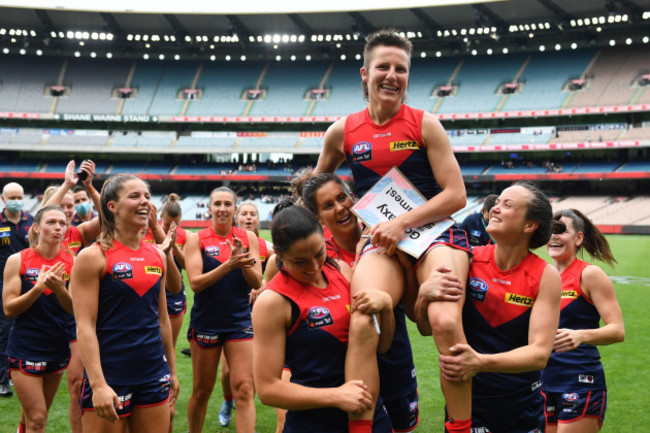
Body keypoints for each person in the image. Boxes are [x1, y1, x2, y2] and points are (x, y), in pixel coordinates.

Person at [314, 29, 470, 432]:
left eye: (401, 69)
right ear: (365, 73)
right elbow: (314, 188)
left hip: (433, 234)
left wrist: (401, 222)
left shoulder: (425, 124)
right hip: (381, 242)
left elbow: (455, 195)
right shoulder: (343, 131)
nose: (392, 75)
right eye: (383, 66)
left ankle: (461, 426)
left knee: (445, 322)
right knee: (363, 319)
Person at [417, 182, 562, 432]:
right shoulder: (468, 258)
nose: (495, 208)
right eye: (497, 202)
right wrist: (423, 297)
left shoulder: (545, 276)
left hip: (521, 407)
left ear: (529, 225)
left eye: (508, 204)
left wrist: (480, 362)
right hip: (468, 404)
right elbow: (426, 329)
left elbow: (539, 354)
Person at [252, 204, 393, 433]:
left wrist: (385, 306)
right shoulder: (272, 302)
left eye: (319, 253)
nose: (314, 267)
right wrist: (336, 396)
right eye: (300, 261)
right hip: (313, 424)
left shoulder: (344, 272)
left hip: (369, 416)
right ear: (279, 255)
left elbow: (382, 346)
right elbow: (268, 389)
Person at [302, 172, 420, 432]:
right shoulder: (317, 258)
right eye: (328, 205)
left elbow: (413, 312)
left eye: (342, 198)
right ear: (318, 217)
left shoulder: (386, 236)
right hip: (343, 372)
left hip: (394, 363)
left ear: (353, 197)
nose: (341, 208)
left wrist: (403, 263)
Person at [70, 174, 179, 433]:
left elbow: (162, 320)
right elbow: (85, 326)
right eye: (134, 196)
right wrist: (97, 384)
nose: (144, 202)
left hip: (153, 373)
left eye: (147, 197)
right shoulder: (91, 257)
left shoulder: (157, 254)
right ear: (112, 207)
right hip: (110, 375)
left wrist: (172, 371)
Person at [185, 186, 262, 433]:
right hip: (206, 323)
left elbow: (257, 282)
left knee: (245, 388)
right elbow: (196, 283)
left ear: (234, 209)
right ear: (208, 209)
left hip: (239, 321)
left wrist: (241, 262)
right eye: (217, 204)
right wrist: (229, 265)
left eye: (227, 204)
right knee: (202, 391)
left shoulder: (248, 238)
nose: (222, 208)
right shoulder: (196, 239)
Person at [543, 209, 625, 433]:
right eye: (551, 230)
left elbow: (617, 330)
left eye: (561, 231)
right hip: (542, 381)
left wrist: (580, 335)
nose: (554, 236)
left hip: (580, 381)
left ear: (578, 238)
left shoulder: (589, 274)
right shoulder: (542, 275)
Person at [3, 205, 74, 433]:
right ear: (36, 227)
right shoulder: (18, 260)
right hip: (25, 347)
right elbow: (9, 309)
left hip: (58, 347)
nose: (57, 227)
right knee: (38, 419)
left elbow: (76, 311)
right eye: (51, 222)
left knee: (32, 418)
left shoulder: (73, 262)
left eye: (62, 223)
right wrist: (38, 288)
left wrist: (60, 290)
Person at [42, 159, 100, 433]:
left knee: (77, 383)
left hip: (74, 316)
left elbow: (108, 219)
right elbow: (45, 212)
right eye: (61, 207)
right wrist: (66, 184)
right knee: (39, 395)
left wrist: (89, 187)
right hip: (43, 319)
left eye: (69, 207)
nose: (66, 212)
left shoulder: (78, 232)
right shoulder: (42, 237)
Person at [217, 200, 271, 428]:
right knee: (227, 370)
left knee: (250, 370)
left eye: (253, 214)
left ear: (258, 219)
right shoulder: (226, 243)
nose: (249, 218)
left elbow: (280, 274)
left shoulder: (268, 246)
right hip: (229, 310)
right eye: (245, 214)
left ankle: (242, 403)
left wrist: (263, 283)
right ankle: (228, 401)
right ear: (237, 218)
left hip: (258, 312)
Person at [143, 194, 186, 433]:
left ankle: (167, 405)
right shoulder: (144, 231)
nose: (170, 226)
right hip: (146, 296)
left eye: (174, 222)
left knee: (164, 348)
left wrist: (169, 242)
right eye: (167, 221)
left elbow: (181, 268)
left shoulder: (182, 234)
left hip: (171, 296)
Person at [0, 181, 34, 399]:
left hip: (29, 283)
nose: (16, 201)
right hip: (3, 285)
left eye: (19, 196)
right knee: (4, 330)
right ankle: (3, 380)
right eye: (11, 197)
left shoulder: (31, 222)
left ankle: (21, 371)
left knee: (26, 327)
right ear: (3, 199)